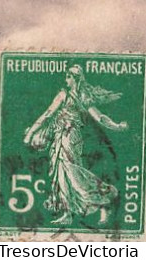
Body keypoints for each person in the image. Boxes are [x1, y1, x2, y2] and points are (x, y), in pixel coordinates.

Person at [23, 65, 128, 226]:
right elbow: (48, 114)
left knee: (72, 172)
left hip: (71, 137)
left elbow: (99, 117)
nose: (66, 79)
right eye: (66, 75)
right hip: (60, 136)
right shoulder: (63, 95)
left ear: (76, 78)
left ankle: (104, 200)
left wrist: (116, 126)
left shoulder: (82, 96)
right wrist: (31, 133)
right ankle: (68, 212)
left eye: (69, 76)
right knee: (62, 174)